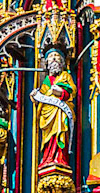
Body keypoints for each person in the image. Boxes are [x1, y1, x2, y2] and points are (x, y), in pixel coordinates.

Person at [31, 46, 75, 176]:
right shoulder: (46, 81)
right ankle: (48, 158)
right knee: (48, 140)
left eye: (56, 56)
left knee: (60, 135)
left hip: (60, 114)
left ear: (62, 61)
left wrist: (61, 92)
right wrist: (35, 98)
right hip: (47, 115)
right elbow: (42, 97)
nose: (54, 58)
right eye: (51, 56)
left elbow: (72, 90)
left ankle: (60, 158)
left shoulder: (65, 75)